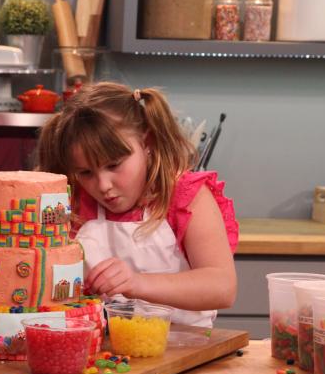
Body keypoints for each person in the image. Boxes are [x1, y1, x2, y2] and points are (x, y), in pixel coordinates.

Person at [37, 83, 238, 327]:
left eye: (114, 165)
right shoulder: (75, 203)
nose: (103, 185)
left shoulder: (186, 197)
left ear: (147, 143)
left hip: (185, 348)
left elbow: (222, 287)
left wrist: (137, 283)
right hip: (106, 353)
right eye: (86, 172)